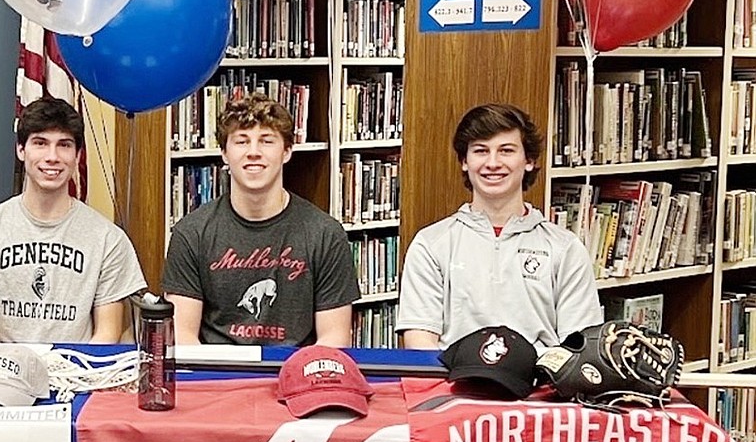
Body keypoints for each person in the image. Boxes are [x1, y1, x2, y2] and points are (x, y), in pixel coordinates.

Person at [396, 102, 602, 351]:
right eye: (481, 151)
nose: (493, 163)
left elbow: (578, 347)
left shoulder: (565, 249)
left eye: (506, 150)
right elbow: (420, 342)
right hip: (455, 386)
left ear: (529, 160)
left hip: (538, 386)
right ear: (464, 161)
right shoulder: (430, 245)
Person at [0, 96, 145, 343]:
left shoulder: (109, 240)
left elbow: (106, 335)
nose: (52, 157)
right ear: (21, 149)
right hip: (5, 373)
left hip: (79, 374)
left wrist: (71, 374)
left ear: (78, 154)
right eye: (40, 143)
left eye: (64, 145)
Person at [162, 93, 358, 346]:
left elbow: (335, 338)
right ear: (224, 153)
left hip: (296, 375)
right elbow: (183, 336)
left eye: (267, 141)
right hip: (217, 375)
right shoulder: (191, 234)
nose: (253, 152)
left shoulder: (325, 234)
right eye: (242, 142)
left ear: (287, 151)